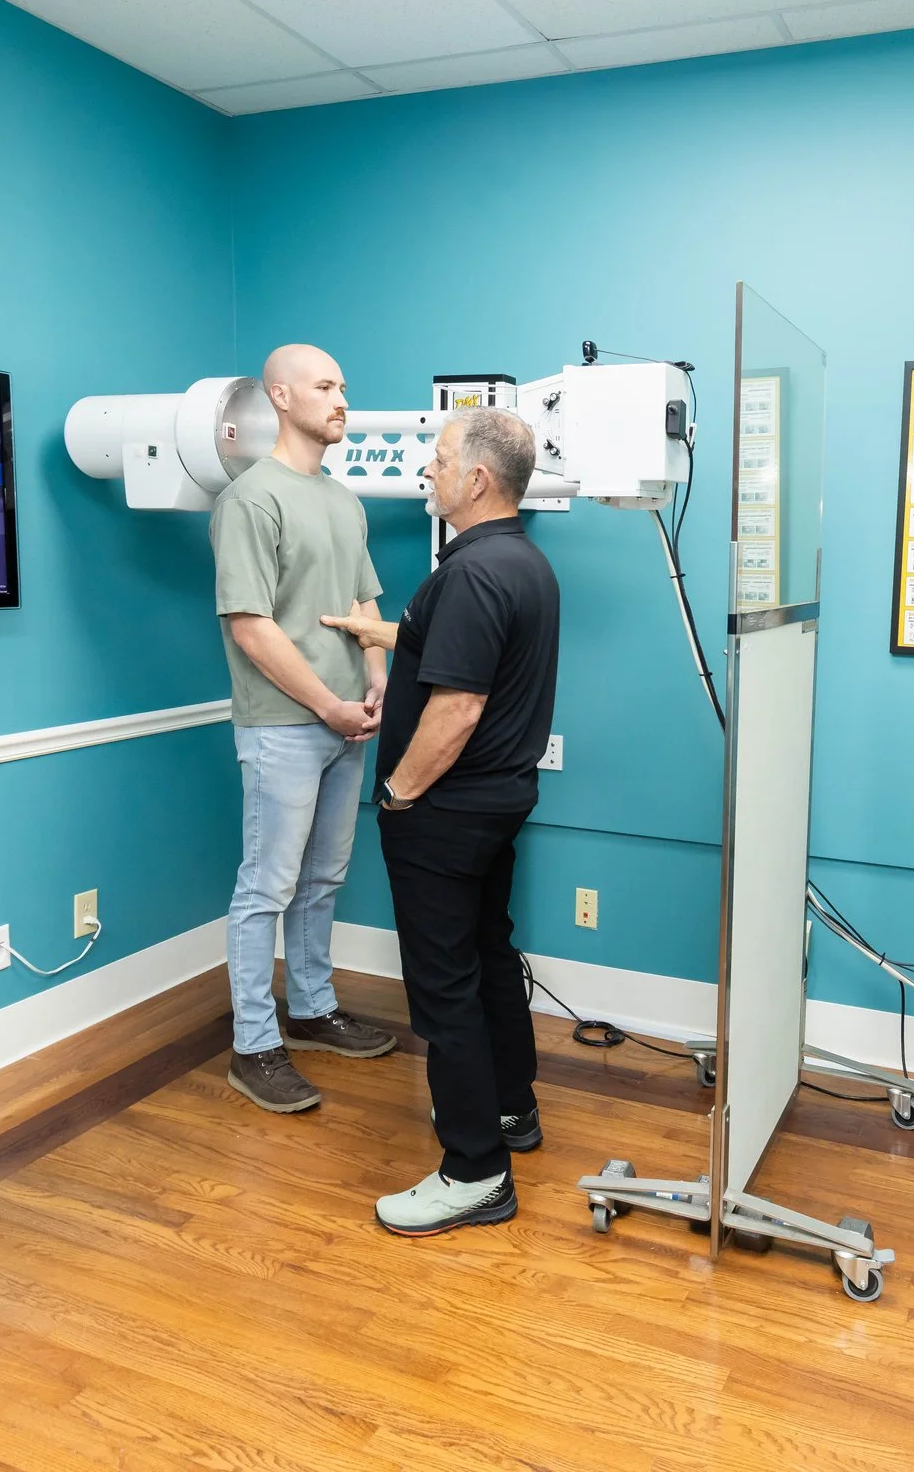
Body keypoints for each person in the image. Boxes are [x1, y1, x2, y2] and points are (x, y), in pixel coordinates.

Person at [321, 407, 559, 1237]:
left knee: (444, 987)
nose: (429, 466)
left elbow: (456, 709)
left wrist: (399, 793)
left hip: (445, 811)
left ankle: (474, 1173)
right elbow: (446, 650)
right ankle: (509, 1113)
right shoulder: (520, 563)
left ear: (479, 480)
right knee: (490, 956)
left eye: (442, 455)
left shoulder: (469, 573)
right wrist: (375, 630)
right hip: (498, 803)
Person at [210, 342, 399, 1116]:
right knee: (267, 887)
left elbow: (363, 611)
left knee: (323, 879)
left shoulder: (345, 501)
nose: (341, 400)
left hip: (349, 723)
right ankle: (254, 1045)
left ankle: (314, 1010)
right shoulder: (252, 499)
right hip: (286, 726)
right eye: (325, 387)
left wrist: (378, 681)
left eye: (344, 387)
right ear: (280, 397)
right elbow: (251, 627)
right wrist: (327, 703)